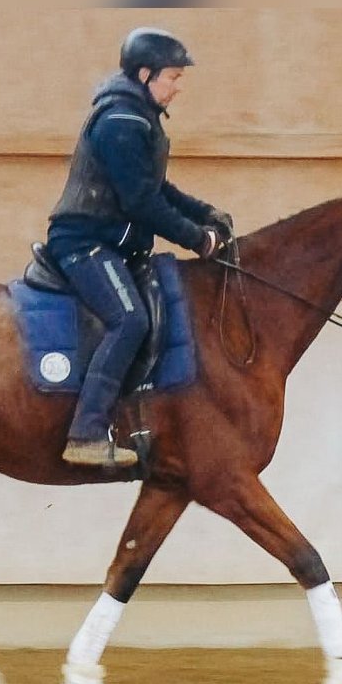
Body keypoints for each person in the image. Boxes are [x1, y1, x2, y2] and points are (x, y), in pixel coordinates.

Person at [47, 27, 233, 468]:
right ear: (146, 73)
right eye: (173, 76)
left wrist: (206, 213)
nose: (178, 87)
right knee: (129, 319)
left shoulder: (138, 116)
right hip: (85, 243)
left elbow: (156, 187)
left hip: (113, 245)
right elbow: (140, 201)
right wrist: (197, 239)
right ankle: (86, 432)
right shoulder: (120, 122)